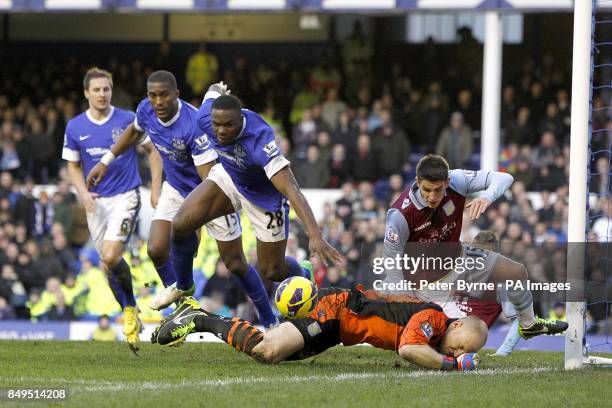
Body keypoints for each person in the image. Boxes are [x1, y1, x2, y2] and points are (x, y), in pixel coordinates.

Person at [86, 73, 277, 327]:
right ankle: (185, 311)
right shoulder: (146, 110)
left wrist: (193, 223)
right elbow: (134, 132)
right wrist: (105, 161)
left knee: (235, 263)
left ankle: (269, 319)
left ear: (176, 94)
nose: (158, 101)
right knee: (155, 249)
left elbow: (208, 178)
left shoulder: (193, 125)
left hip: (211, 192)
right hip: (175, 189)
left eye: (164, 95)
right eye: (152, 95)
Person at [159, 84, 343, 309]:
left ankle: (302, 270)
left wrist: (314, 234)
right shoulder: (205, 119)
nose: (221, 131)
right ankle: (184, 288)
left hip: (263, 199)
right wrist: (218, 88)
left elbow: (292, 189)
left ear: (240, 119)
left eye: (228, 125)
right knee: (180, 224)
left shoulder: (260, 140)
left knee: (271, 271)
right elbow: (212, 93)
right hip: (229, 177)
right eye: (217, 125)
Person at [382, 154, 568, 339]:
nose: (432, 196)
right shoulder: (400, 214)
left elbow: (505, 178)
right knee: (467, 338)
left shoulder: (458, 180)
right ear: (417, 181)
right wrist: (407, 304)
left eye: (438, 190)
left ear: (447, 182)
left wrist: (487, 197)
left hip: (459, 257)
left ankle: (529, 325)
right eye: (426, 189)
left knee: (517, 272)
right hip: (429, 282)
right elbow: (392, 265)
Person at [62, 67, 162, 352]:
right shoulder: (75, 127)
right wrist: (82, 194)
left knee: (109, 255)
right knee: (108, 265)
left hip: (125, 197)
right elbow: (72, 166)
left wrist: (154, 187)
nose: (102, 94)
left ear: (111, 90)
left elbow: (153, 151)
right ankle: (130, 308)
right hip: (95, 203)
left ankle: (130, 308)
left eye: (106, 89)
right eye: (96, 90)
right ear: (86, 93)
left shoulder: (127, 120)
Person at [152, 289, 486, 372]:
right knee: (269, 350)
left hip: (339, 330)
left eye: (462, 353)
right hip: (336, 310)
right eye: (460, 346)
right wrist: (451, 366)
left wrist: (452, 360)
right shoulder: (435, 319)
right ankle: (197, 316)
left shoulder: (435, 327)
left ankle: (197, 317)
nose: (458, 352)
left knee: (267, 355)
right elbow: (408, 348)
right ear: (456, 325)